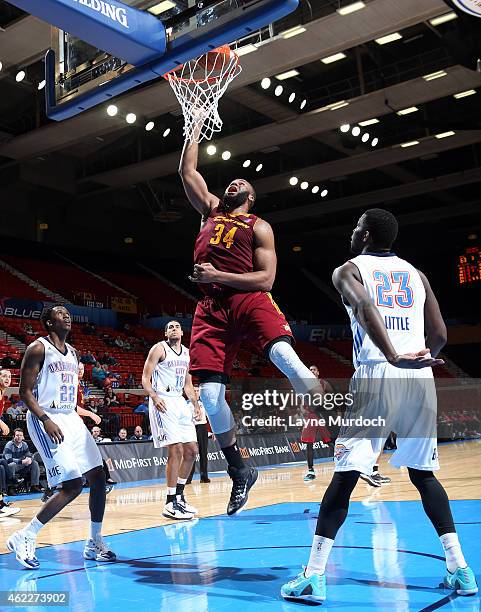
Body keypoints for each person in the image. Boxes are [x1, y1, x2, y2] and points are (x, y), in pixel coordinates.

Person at [281, 209, 478, 602]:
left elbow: (366, 309)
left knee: (346, 474)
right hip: (420, 378)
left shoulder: (347, 270)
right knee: (424, 475)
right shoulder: (417, 274)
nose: (352, 233)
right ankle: (460, 569)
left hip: (377, 373)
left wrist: (390, 356)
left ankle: (314, 576)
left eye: (356, 228)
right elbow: (439, 333)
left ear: (366, 235)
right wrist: (420, 355)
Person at [179, 129, 324, 515]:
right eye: (232, 181)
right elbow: (187, 170)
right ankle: (240, 468)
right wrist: (193, 128)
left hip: (249, 298)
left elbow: (267, 280)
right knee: (210, 399)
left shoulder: (259, 226)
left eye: (242, 183)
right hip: (212, 307)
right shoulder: (210, 210)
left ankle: (330, 414)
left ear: (251, 197)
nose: (235, 182)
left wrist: (217, 275)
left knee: (284, 355)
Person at [6, 305, 115, 569]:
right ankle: (24, 536)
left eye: (67, 313)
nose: (66, 316)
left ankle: (94, 540)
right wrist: (46, 419)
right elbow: (25, 391)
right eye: (59, 313)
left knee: (99, 475)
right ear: (49, 323)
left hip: (70, 419)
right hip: (46, 418)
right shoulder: (38, 348)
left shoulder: (74, 353)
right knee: (73, 484)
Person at [142, 320, 201, 520]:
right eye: (170, 327)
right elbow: (145, 378)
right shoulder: (159, 349)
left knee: (192, 451)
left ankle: (180, 495)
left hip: (179, 401)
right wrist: (154, 397)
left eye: (176, 327)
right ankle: (169, 502)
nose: (173, 329)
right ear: (165, 332)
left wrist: (195, 404)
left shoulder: (187, 353)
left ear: (182, 332)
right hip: (163, 400)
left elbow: (188, 384)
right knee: (175, 449)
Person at [301, 365, 332, 482]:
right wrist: (302, 409)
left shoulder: (324, 383)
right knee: (309, 444)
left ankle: (343, 465)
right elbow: (301, 398)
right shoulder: (305, 385)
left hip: (323, 415)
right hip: (311, 416)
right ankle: (310, 471)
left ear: (318, 372)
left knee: (331, 442)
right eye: (310, 370)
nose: (312, 371)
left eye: (314, 369)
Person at [3, 429, 42, 493]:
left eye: (20, 435)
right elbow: (8, 459)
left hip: (21, 466)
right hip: (10, 467)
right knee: (12, 464)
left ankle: (34, 486)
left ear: (23, 437)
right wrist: (21, 461)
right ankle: (11, 487)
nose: (19, 437)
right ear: (14, 436)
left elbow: (28, 455)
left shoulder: (24, 444)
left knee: (34, 463)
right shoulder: (9, 445)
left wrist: (29, 459)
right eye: (17, 435)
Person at [187, 385, 210, 484]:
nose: (196, 392)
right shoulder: (187, 404)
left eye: (197, 391)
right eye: (194, 391)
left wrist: (210, 431)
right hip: (192, 428)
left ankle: (204, 476)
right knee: (192, 453)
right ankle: (188, 477)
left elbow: (209, 418)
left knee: (203, 453)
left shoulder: (204, 404)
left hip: (202, 428)